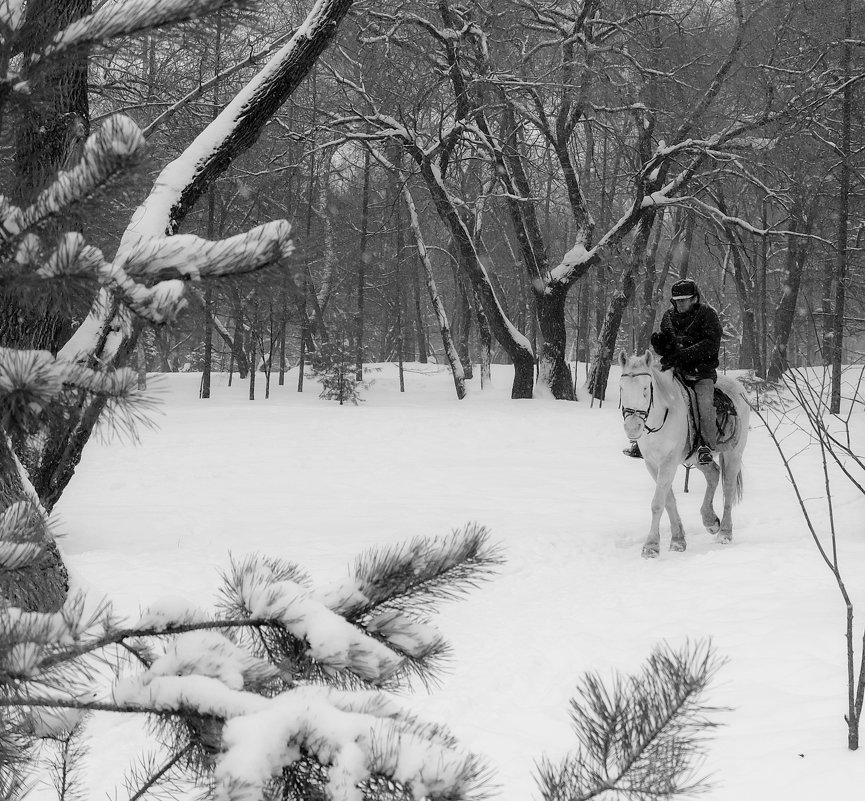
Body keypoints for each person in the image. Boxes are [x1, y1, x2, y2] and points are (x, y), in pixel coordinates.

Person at [623, 279, 723, 465]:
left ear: (695, 298)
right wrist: (661, 344)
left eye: (684, 299)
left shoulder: (708, 315)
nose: (680, 303)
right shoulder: (668, 317)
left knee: (704, 402)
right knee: (654, 396)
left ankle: (705, 445)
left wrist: (684, 354)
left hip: (701, 372)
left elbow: (710, 344)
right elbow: (669, 347)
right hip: (674, 369)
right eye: (677, 300)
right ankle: (643, 439)